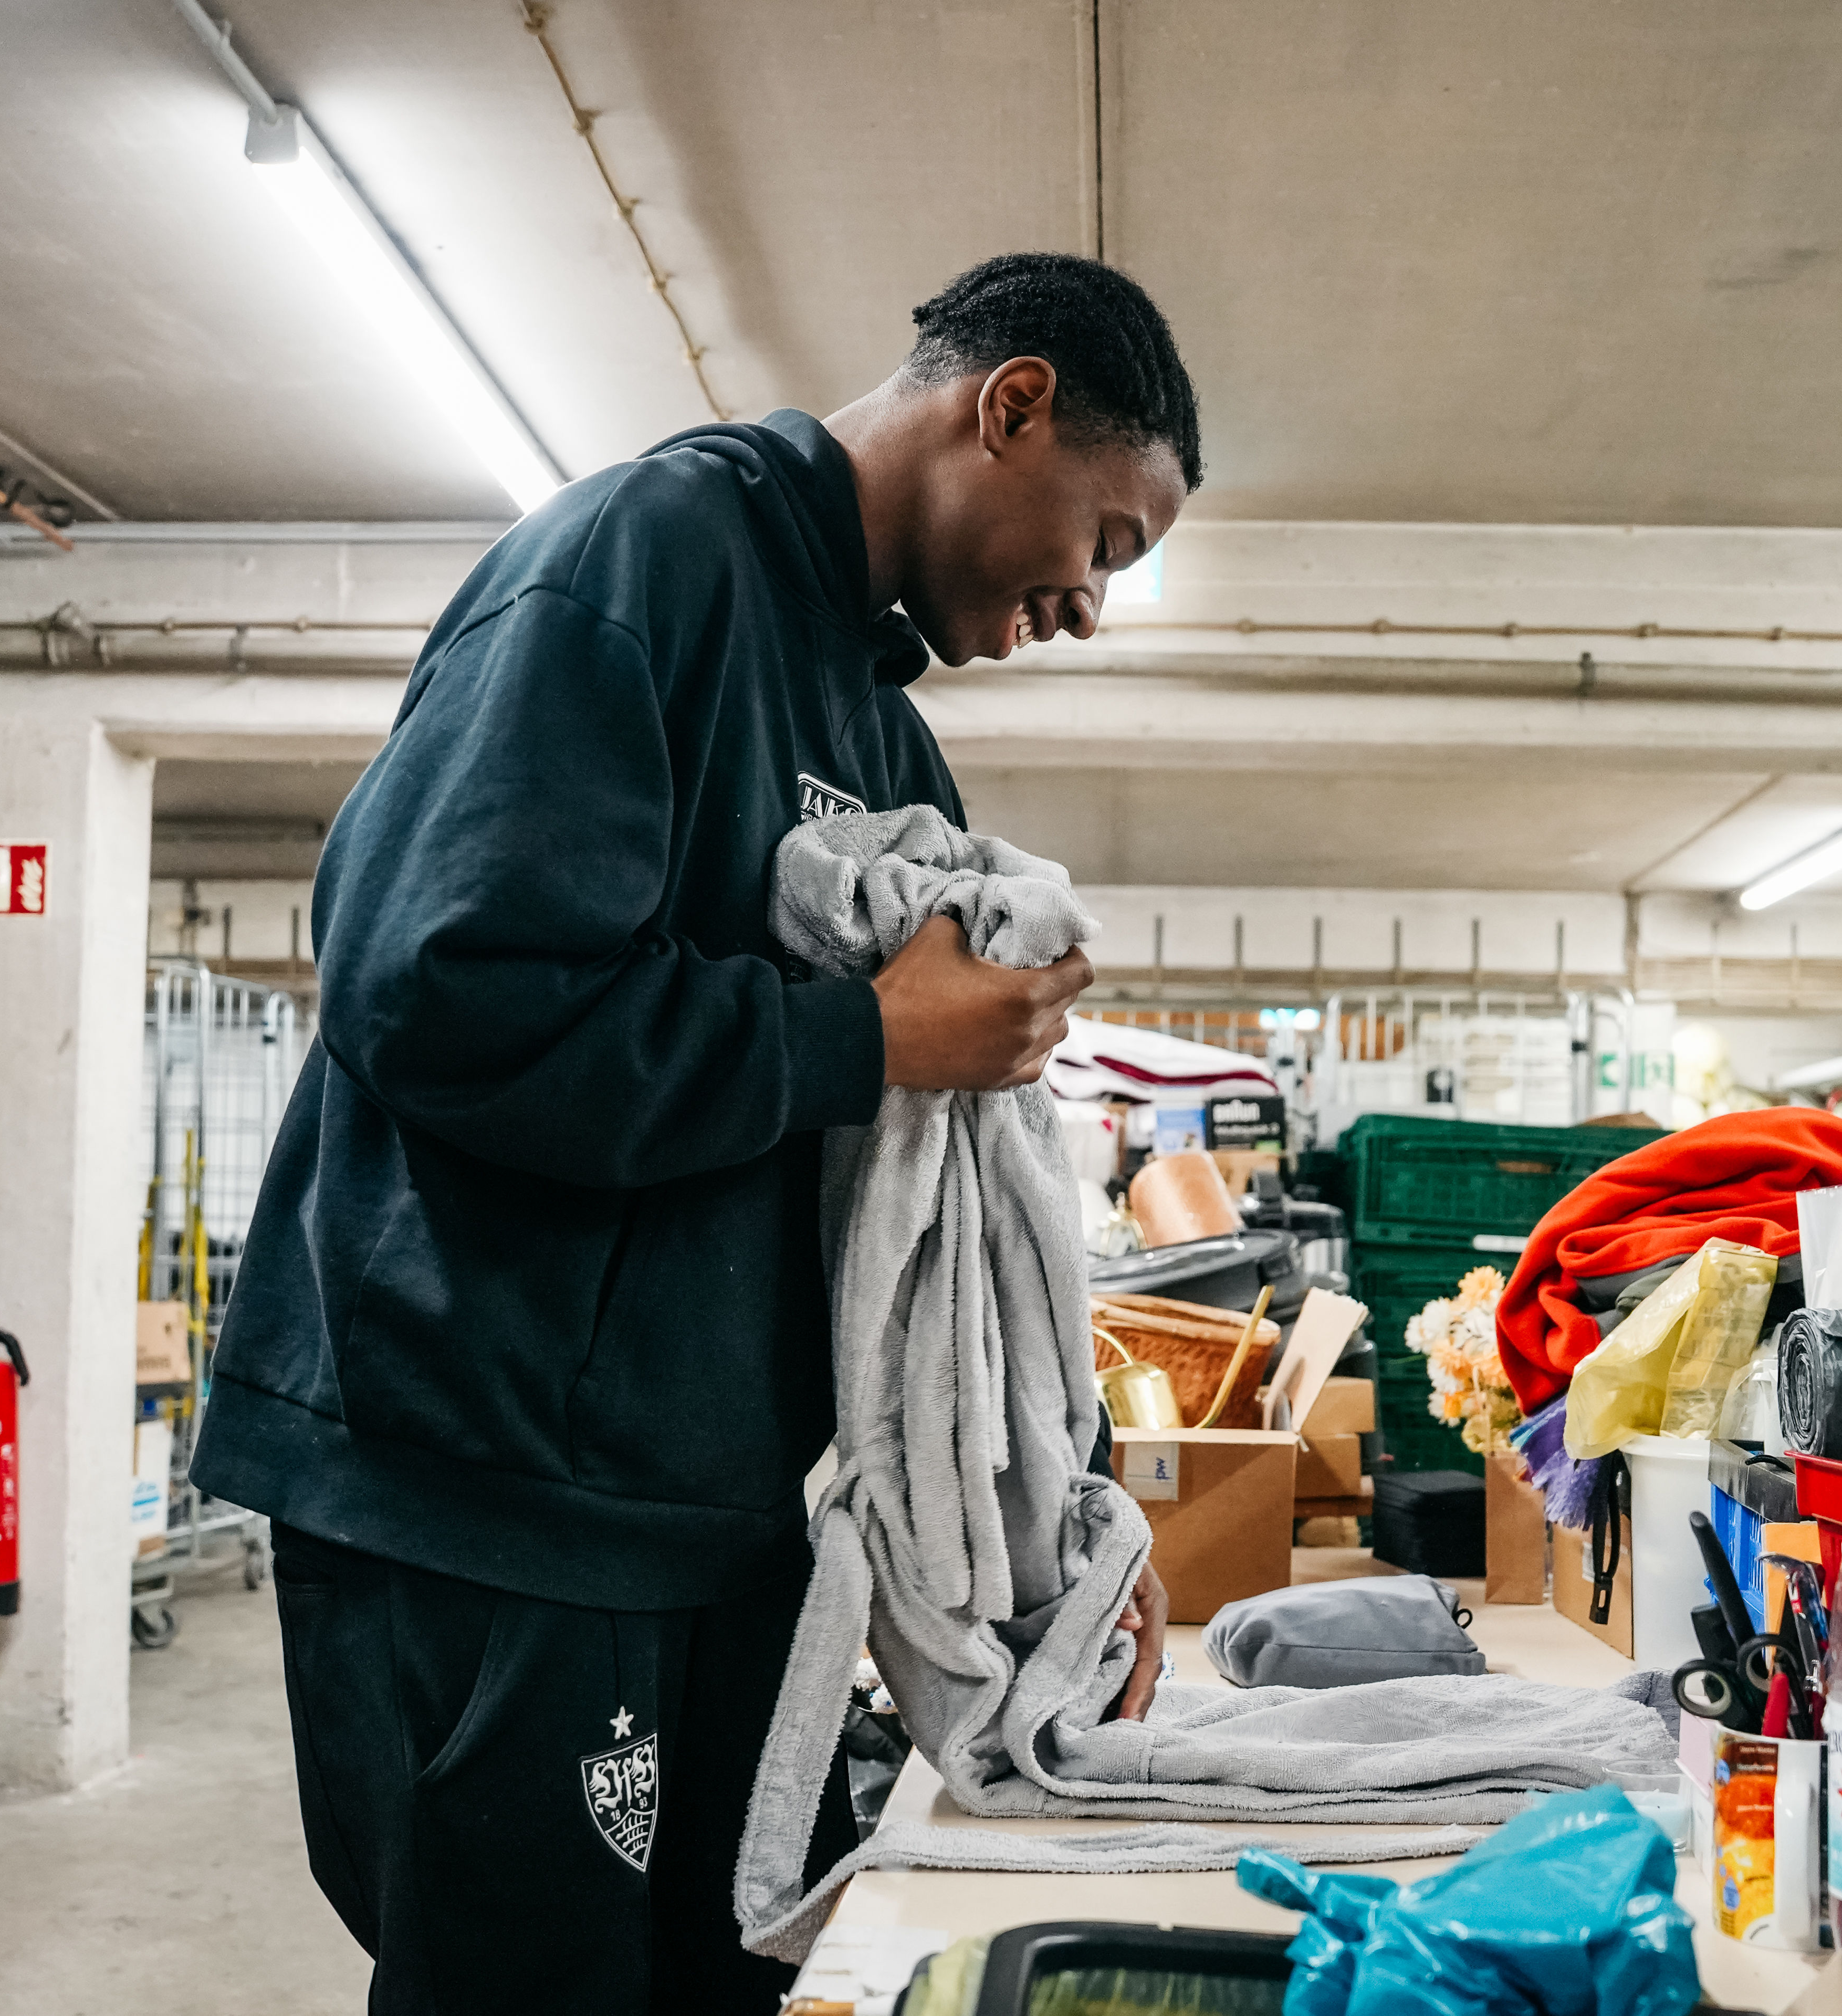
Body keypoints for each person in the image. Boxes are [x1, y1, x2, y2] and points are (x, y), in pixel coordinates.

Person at [196, 249, 1205, 2013]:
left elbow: (940, 1210)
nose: (1089, 607)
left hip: (725, 1515)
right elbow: (438, 990)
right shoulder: (638, 562)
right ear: (1011, 404)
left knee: (745, 1977)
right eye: (1104, 543)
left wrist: (1070, 1532)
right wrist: (863, 1032)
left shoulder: (880, 733)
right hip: (494, 1484)